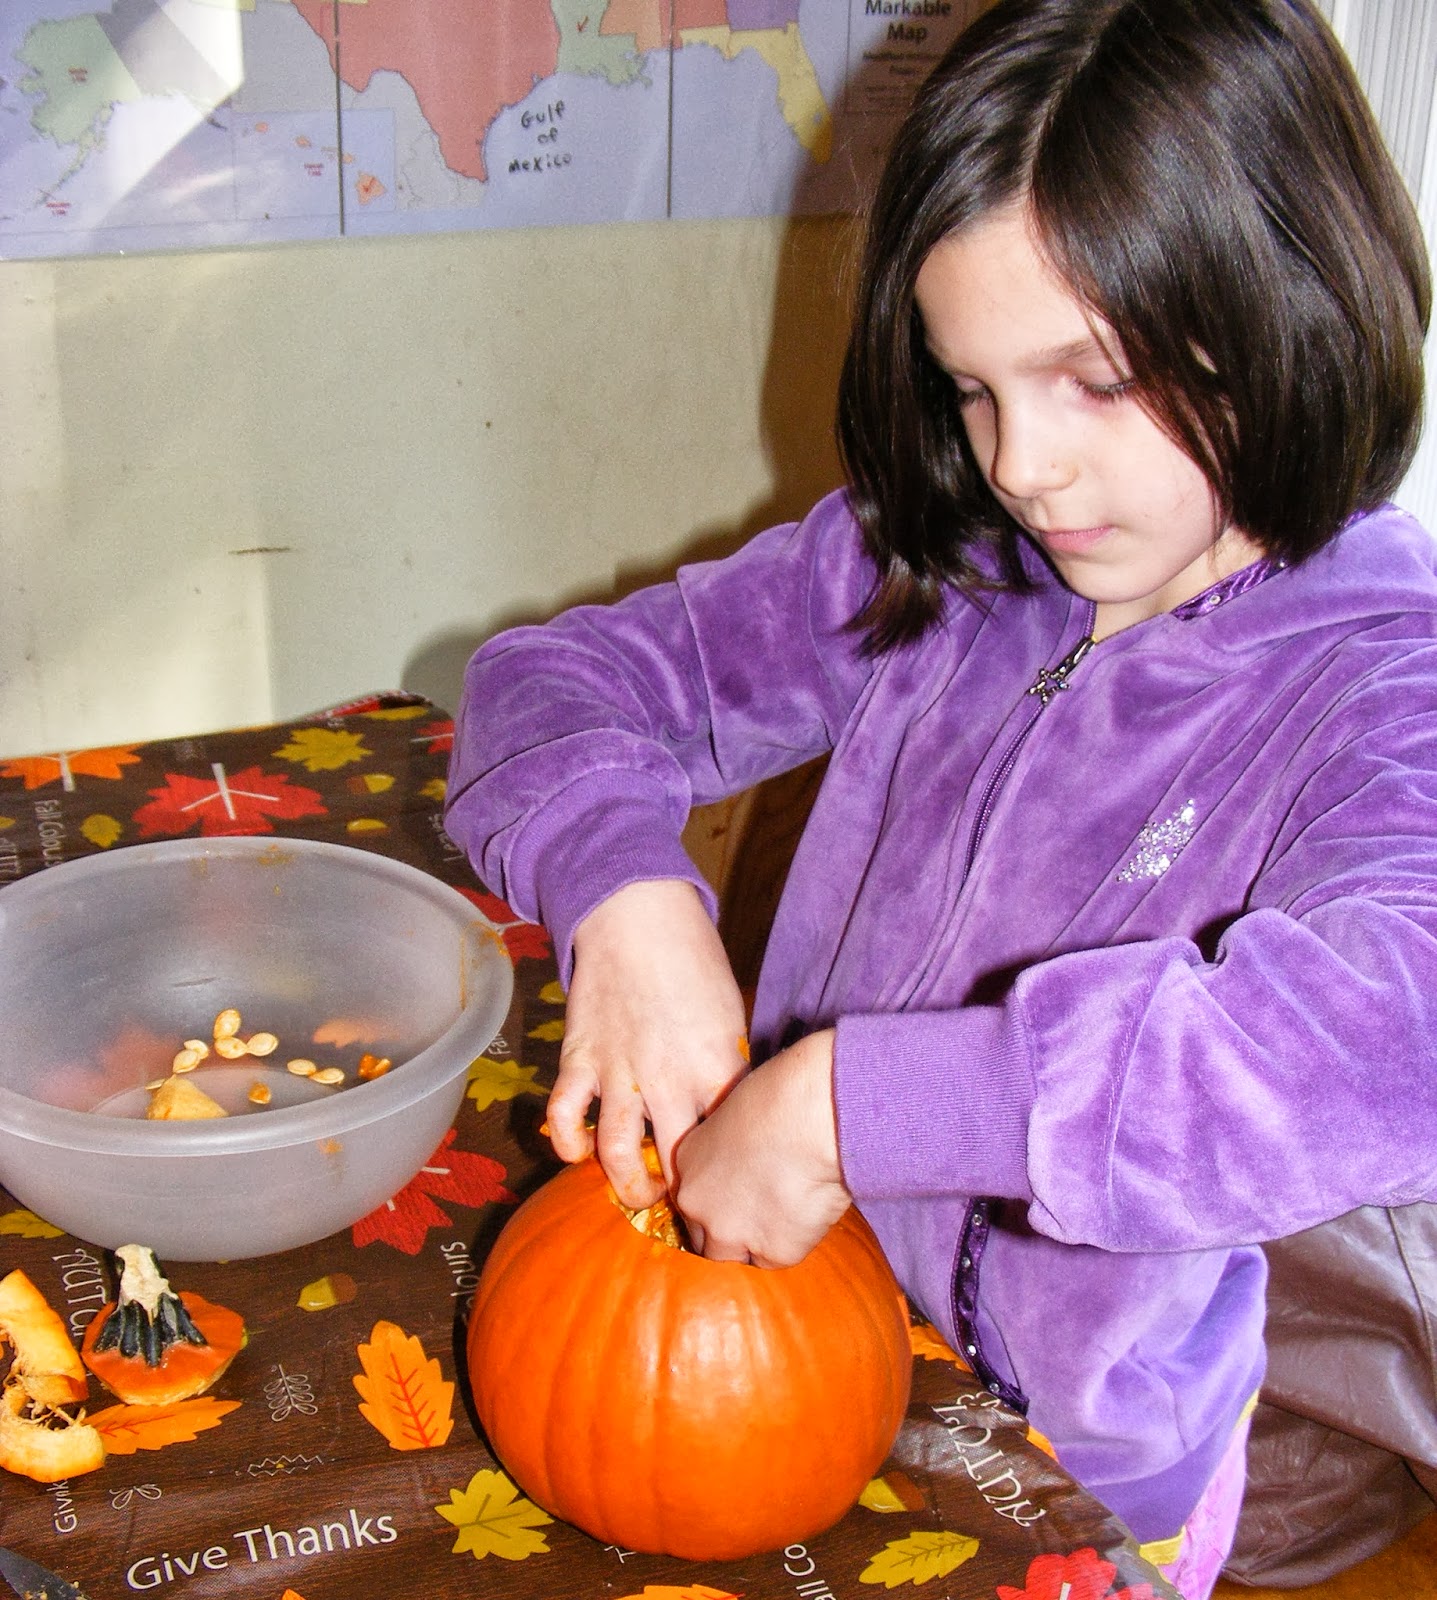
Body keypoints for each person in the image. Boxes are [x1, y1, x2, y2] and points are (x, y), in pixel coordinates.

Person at [444, 2, 1437, 1594]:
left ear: (1285, 305)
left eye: (1090, 380)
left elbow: (1393, 1042)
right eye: (970, 387)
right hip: (797, 1302)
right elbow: (542, 693)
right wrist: (623, 897)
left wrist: (855, 1106)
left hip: (1095, 1471)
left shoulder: (1384, 676)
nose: (1021, 467)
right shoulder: (950, 558)